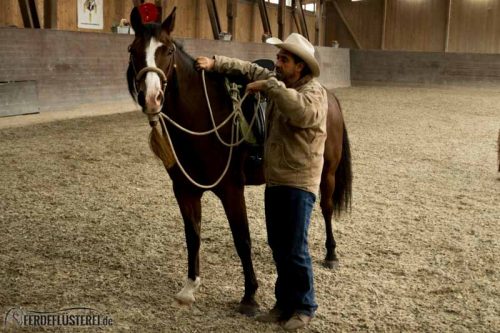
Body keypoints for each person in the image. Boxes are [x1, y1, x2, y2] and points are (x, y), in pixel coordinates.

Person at [195, 33, 327, 331]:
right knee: (278, 245)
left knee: (295, 248)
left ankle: (304, 306)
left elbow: (302, 113)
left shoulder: (313, 92)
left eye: (284, 59)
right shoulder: (280, 81)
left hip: (299, 181)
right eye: (278, 58)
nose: (277, 63)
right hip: (277, 179)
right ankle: (283, 303)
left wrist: (270, 87)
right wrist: (216, 63)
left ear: (300, 66)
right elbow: (249, 69)